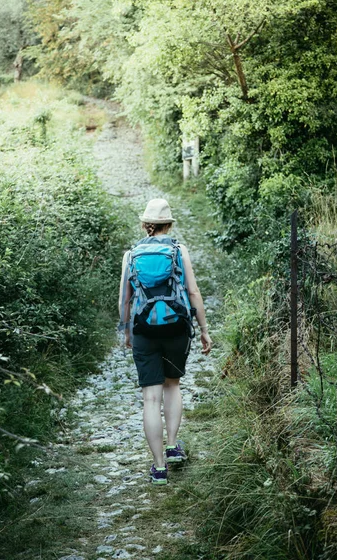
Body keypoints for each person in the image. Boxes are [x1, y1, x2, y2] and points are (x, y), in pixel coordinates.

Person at [118, 198, 212, 484]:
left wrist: (127, 330)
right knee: (172, 385)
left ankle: (158, 467)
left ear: (146, 224)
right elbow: (193, 293)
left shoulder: (131, 254)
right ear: (169, 224)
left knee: (150, 397)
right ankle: (173, 446)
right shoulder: (178, 250)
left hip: (144, 329)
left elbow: (125, 298)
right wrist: (204, 328)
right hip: (176, 327)